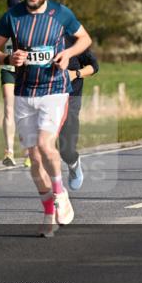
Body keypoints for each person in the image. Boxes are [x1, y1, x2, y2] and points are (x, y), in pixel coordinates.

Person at [0, 0, 92, 237]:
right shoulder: (12, 17)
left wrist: (68, 53)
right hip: (24, 92)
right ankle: (49, 211)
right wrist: (7, 59)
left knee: (47, 146)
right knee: (34, 158)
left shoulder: (60, 13)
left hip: (54, 89)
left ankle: (60, 194)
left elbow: (85, 39)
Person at [60, 33, 99, 191]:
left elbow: (94, 66)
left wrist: (75, 74)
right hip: (47, 98)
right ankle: (54, 192)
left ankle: (73, 163)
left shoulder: (73, 39)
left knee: (66, 150)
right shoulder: (37, 38)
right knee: (43, 145)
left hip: (71, 98)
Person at [1, 0, 23, 167]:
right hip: (9, 70)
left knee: (25, 111)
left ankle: (30, 150)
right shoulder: (4, 24)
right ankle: (9, 151)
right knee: (9, 109)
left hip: (25, 71)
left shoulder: (27, 22)